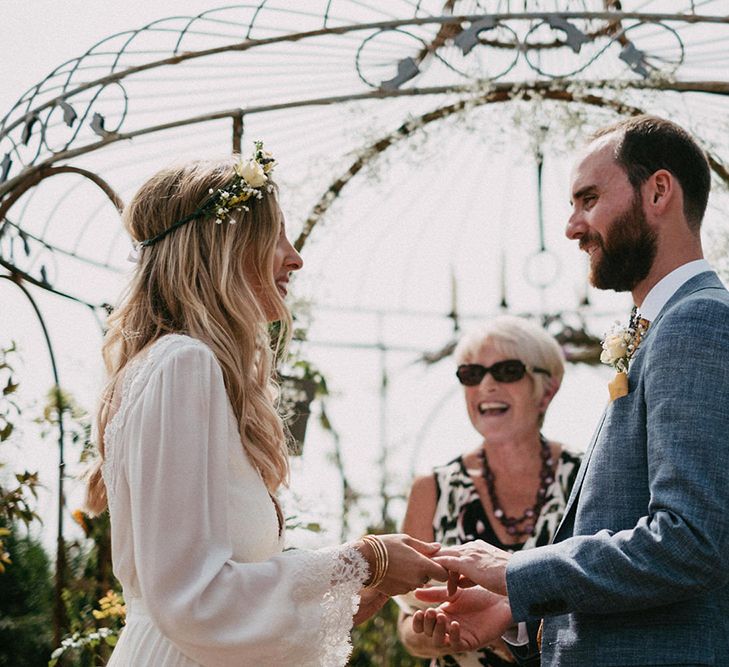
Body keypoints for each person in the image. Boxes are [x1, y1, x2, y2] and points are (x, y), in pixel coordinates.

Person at [84, 144, 448, 666]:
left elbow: (210, 581)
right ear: (225, 243)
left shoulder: (172, 366)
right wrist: (364, 559)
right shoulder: (183, 365)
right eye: (276, 234)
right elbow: (193, 599)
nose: (295, 256)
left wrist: (343, 592)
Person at [411, 115, 729, 666]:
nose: (572, 227)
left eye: (587, 199)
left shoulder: (695, 323)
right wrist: (516, 608)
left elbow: (691, 541)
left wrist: (515, 571)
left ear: (658, 191)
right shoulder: (664, 327)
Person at [397, 316, 580, 666]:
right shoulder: (430, 490)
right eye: (472, 374)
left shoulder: (586, 477)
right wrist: (440, 633)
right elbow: (408, 626)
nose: (487, 385)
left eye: (507, 371)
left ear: (547, 390)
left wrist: (508, 626)